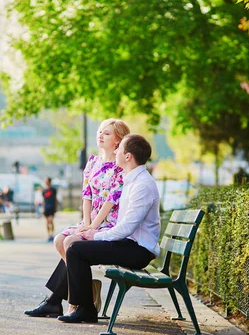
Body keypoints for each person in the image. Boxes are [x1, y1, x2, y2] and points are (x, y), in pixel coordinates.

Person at [24, 134, 160, 324]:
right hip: (129, 244)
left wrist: (97, 234)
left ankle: (84, 308)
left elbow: (128, 227)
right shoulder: (132, 180)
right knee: (75, 246)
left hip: (138, 250)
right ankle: (59, 302)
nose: (116, 151)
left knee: (76, 249)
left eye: (119, 149)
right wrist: (94, 233)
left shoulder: (142, 185)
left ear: (128, 156)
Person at [53, 118, 130, 262]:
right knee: (59, 240)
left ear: (118, 141)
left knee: (70, 242)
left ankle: (79, 283)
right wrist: (87, 223)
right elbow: (87, 196)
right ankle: (85, 283)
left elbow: (111, 201)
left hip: (108, 222)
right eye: (100, 132)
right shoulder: (93, 162)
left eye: (106, 133)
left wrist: (93, 227)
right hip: (90, 220)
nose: (100, 135)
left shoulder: (120, 167)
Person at [42, 177, 59, 242]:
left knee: (50, 221)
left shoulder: (53, 190)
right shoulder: (44, 190)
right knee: (47, 222)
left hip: (52, 207)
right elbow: (43, 200)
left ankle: (52, 234)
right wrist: (43, 208)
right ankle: (49, 234)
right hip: (46, 207)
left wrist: (56, 207)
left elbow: (55, 199)